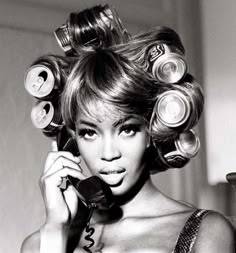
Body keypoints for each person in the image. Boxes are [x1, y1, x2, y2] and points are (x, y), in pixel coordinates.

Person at [21, 4, 235, 253]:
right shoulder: (40, 244)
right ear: (70, 141)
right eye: (89, 133)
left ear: (151, 130)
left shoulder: (206, 232)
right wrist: (55, 230)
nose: (108, 153)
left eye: (127, 129)